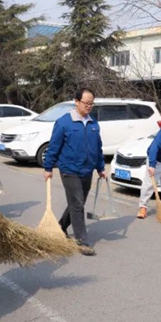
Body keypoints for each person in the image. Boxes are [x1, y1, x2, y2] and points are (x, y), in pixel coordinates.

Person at [43, 87, 105, 256]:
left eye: (91, 103)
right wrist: (48, 167)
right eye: (86, 103)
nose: (89, 106)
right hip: (69, 169)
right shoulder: (64, 122)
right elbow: (54, 147)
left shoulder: (93, 123)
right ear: (76, 101)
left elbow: (98, 147)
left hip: (87, 169)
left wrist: (100, 167)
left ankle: (61, 226)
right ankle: (82, 241)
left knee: (78, 203)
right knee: (77, 204)